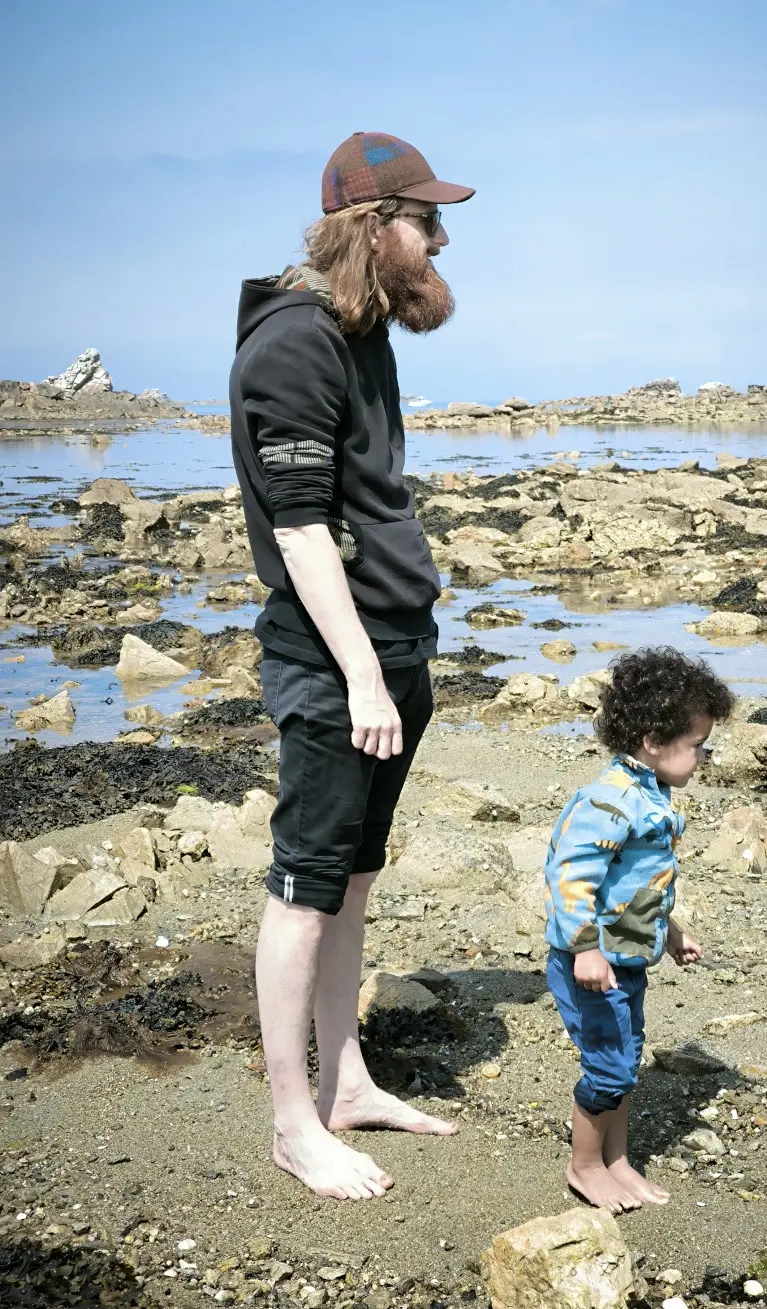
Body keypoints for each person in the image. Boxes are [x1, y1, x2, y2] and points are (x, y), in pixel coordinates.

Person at [229, 132, 474, 1200]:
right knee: (304, 887)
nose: (442, 236)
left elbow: (365, 502)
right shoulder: (291, 345)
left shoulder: (360, 326)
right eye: (425, 218)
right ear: (373, 228)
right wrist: (364, 676)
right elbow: (298, 532)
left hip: (389, 646)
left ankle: (347, 1079)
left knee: (354, 877)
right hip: (338, 664)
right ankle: (293, 1122)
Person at [543, 646, 734, 1212]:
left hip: (626, 960)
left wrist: (671, 931)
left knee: (627, 1057)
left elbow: (636, 887)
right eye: (697, 746)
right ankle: (583, 1167)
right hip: (592, 963)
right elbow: (571, 878)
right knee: (607, 1065)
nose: (703, 756)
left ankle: (616, 1159)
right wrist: (584, 950)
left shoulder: (654, 795)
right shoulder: (611, 800)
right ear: (654, 740)